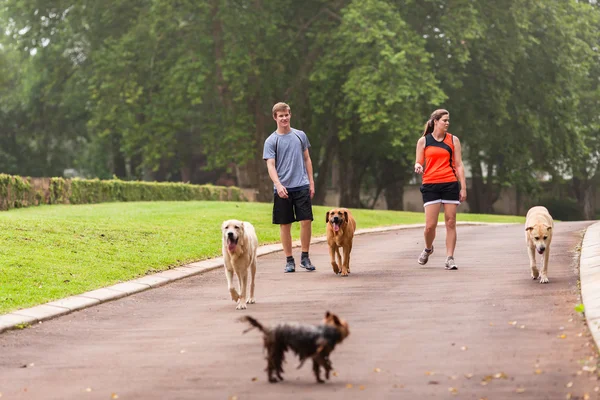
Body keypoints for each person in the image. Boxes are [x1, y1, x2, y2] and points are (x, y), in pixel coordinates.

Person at [263, 102, 317, 273]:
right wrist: (278, 185)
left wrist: (311, 182)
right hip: (283, 189)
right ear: (275, 118)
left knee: (306, 220)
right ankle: (289, 260)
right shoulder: (272, 141)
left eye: (286, 115)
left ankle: (305, 257)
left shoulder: (300, 135)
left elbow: (307, 159)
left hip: (301, 184)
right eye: (281, 116)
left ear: (290, 115)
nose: (284, 118)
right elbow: (270, 165)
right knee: (285, 224)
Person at [414, 109, 467, 270]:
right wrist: (417, 166)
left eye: (448, 120)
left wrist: (463, 187)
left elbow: (459, 164)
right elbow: (418, 162)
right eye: (444, 120)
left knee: (451, 222)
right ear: (435, 121)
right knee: (430, 226)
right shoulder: (423, 141)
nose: (447, 123)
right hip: (430, 185)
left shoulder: (453, 140)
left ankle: (450, 258)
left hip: (450, 184)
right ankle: (428, 248)